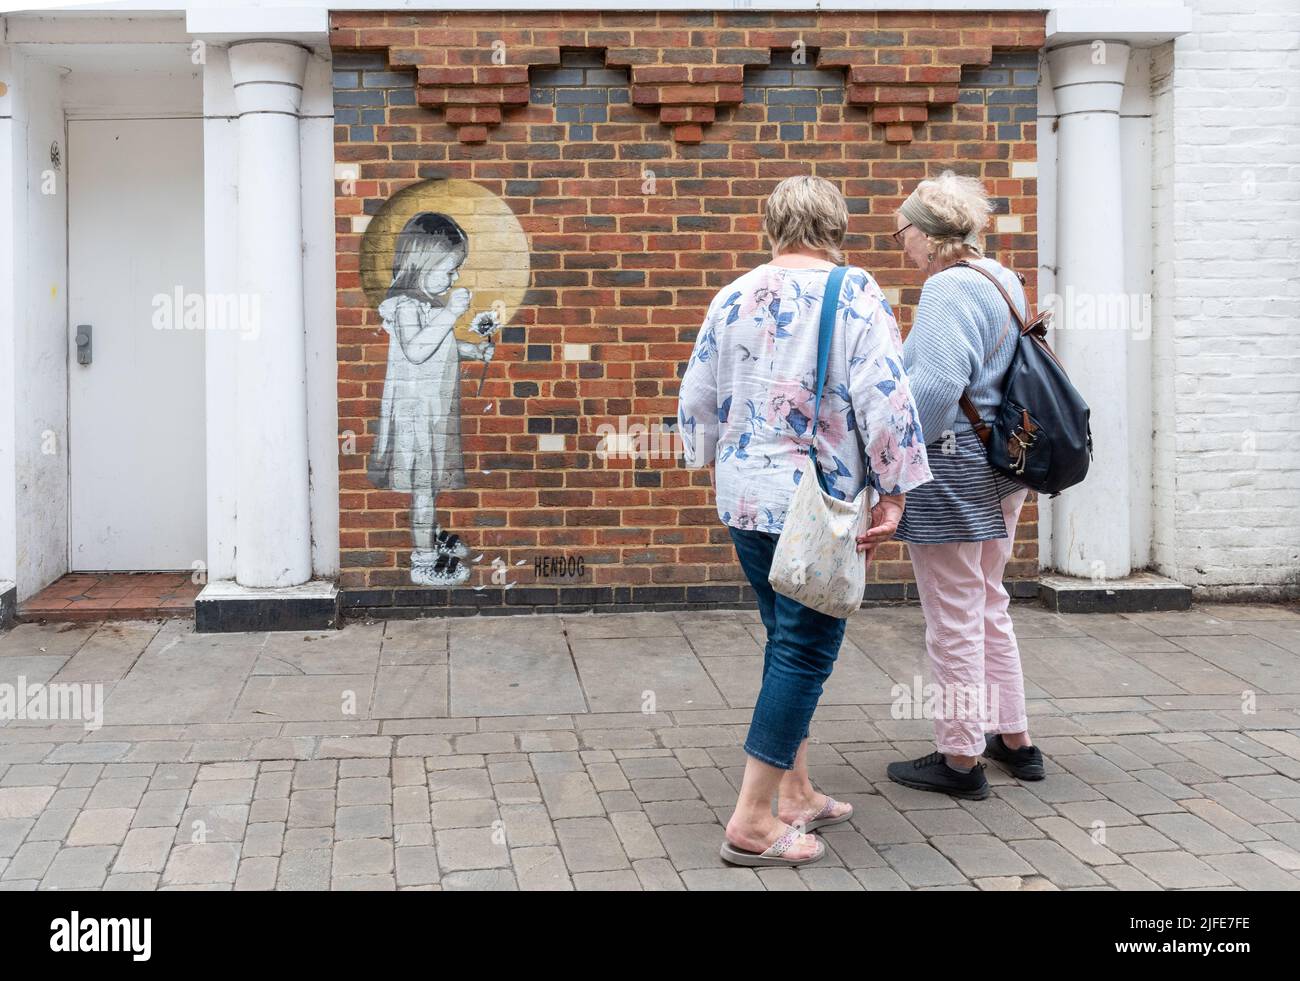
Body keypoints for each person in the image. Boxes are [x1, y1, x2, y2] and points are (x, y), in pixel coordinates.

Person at [678, 175, 932, 866]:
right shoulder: (852, 292)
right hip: (815, 501)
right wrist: (896, 488)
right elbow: (886, 391)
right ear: (836, 226)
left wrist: (708, 456)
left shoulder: (732, 294)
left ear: (772, 225)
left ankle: (795, 793)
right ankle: (753, 819)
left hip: (744, 493)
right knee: (806, 649)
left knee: (782, 634)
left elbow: (696, 397)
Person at [886, 170, 1046, 800]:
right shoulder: (1002, 277)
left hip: (953, 465)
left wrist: (894, 462)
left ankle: (958, 758)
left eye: (902, 233)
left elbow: (932, 388)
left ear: (928, 234)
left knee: (952, 614)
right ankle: (1014, 739)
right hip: (1006, 465)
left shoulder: (948, 288)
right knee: (988, 598)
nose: (902, 246)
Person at [368, 212, 494, 587]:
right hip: (415, 412)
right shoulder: (406, 306)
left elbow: (441, 345)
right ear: (421, 264)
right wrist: (453, 312)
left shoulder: (429, 307)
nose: (454, 278)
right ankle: (423, 558)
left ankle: (432, 531)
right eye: (450, 269)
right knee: (423, 484)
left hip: (434, 410)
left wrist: (472, 350)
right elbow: (417, 350)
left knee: (431, 481)